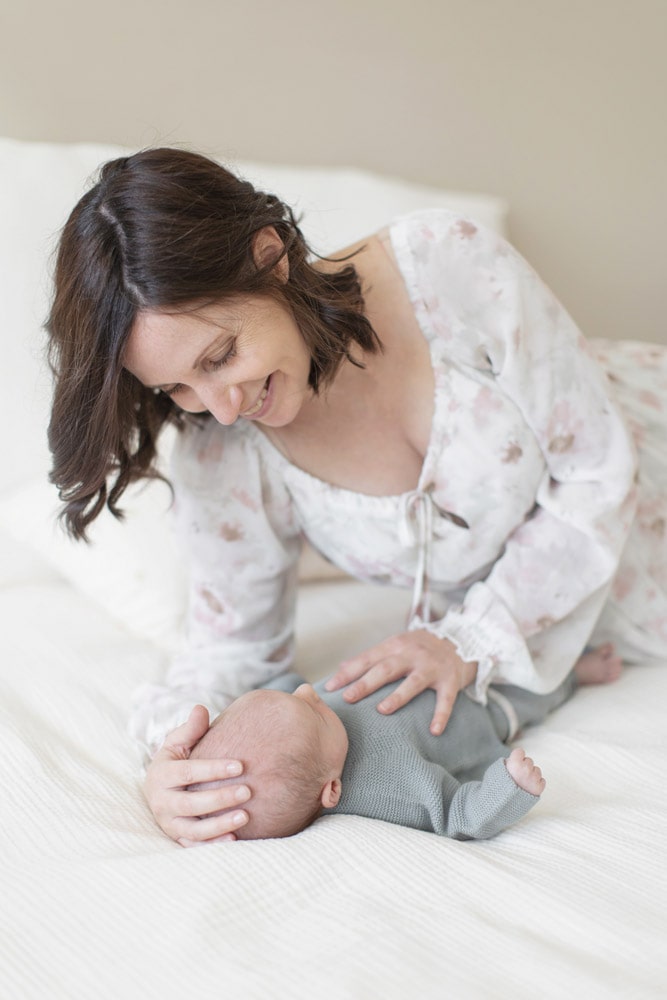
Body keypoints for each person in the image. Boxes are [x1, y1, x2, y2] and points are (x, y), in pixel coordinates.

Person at [45, 147, 667, 847]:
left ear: (270, 257)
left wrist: (464, 639)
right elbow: (235, 655)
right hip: (568, 639)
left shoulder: (446, 266)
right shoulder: (222, 452)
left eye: (219, 357)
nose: (218, 406)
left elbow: (594, 470)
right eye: (175, 388)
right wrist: (182, 760)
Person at [185, 647, 621, 842]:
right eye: (316, 711)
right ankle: (576, 674)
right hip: (477, 712)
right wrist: (508, 788)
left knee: (512, 644)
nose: (308, 692)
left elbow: (279, 693)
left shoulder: (295, 720)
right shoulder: (388, 790)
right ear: (331, 790)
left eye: (298, 695)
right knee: (532, 690)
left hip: (428, 660)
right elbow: (456, 815)